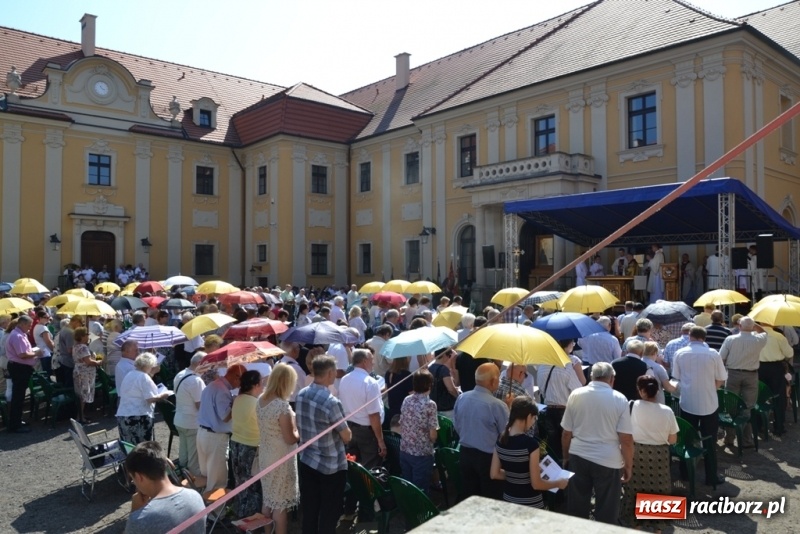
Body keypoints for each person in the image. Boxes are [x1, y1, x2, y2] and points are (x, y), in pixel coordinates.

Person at [561, 362, 633, 524]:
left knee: (577, 507)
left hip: (578, 455)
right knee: (607, 509)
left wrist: (566, 457)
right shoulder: (620, 399)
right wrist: (628, 465)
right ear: (611, 379)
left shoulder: (576, 395)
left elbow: (566, 433)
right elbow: (626, 439)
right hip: (608, 460)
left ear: (591, 376)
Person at [296, 355, 352, 534]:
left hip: (308, 461)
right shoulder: (331, 402)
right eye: (335, 371)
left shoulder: (302, 393)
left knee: (310, 510)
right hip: (330, 467)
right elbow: (346, 436)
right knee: (329, 513)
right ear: (329, 373)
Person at [620, 376, 679, 532]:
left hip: (636, 452)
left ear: (640, 390)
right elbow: (672, 440)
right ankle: (657, 526)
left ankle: (636, 523)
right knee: (659, 489)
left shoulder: (630, 406)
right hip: (660, 454)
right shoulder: (667, 411)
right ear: (658, 391)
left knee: (635, 487)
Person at [672, 326, 727, 484]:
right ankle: (711, 476)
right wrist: (711, 389)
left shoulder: (680, 353)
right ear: (704, 337)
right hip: (708, 402)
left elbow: (676, 377)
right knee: (710, 440)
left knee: (687, 439)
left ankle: (685, 473)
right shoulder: (712, 354)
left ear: (690, 336)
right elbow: (721, 378)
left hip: (688, 401)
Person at [491, 397, 568, 509]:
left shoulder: (500, 439)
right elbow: (536, 484)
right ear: (528, 416)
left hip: (508, 499)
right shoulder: (531, 445)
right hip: (530, 503)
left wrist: (517, 475)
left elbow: (494, 474)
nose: (533, 423)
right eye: (534, 418)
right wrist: (558, 483)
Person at [338, 349, 385, 520]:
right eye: (371, 359)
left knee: (353, 469)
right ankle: (369, 509)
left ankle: (350, 507)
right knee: (371, 471)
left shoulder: (345, 379)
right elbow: (374, 415)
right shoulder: (369, 382)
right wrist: (380, 441)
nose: (373, 362)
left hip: (351, 429)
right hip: (366, 431)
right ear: (364, 361)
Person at [453, 362, 509, 500]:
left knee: (470, 496)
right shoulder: (497, 405)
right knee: (490, 498)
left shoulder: (462, 397)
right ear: (493, 381)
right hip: (488, 459)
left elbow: (456, 424)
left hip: (465, 453)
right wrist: (508, 409)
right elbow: (506, 436)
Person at [123, 441, 206, 534]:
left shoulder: (141, 519)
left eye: (133, 479)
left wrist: (135, 512)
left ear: (139, 477)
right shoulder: (195, 496)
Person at [258, 363, 299, 534]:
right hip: (280, 456)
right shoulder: (282, 406)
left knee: (269, 499)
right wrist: (297, 431)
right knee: (280, 503)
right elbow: (290, 438)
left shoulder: (261, 399)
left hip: (266, 453)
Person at [718, 317, 766, 449]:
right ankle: (746, 439)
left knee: (731, 405)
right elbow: (764, 332)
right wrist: (754, 325)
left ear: (739, 326)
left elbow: (721, 357)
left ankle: (730, 437)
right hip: (751, 375)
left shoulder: (730, 339)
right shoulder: (759, 339)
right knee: (748, 407)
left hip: (733, 374)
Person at [196, 363, 245, 491]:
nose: (240, 385)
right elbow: (225, 416)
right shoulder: (222, 390)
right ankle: (217, 511)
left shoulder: (213, 385)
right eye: (241, 381)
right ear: (236, 377)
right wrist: (236, 403)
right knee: (217, 482)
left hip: (203, 433)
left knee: (207, 476)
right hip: (215, 438)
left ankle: (207, 506)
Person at [536, 339, 583, 461]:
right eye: (572, 343)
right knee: (567, 448)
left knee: (552, 449)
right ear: (567, 345)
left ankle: (554, 475)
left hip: (548, 410)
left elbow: (540, 388)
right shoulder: (567, 366)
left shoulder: (542, 365)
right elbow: (578, 390)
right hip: (565, 411)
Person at [399, 369, 439, 494]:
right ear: (429, 384)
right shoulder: (430, 404)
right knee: (420, 492)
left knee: (409, 488)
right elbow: (433, 434)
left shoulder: (407, 399)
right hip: (422, 453)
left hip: (405, 449)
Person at [231, 370, 264, 518]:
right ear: (256, 385)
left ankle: (240, 515)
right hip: (251, 447)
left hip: (236, 444)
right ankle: (251, 519)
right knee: (252, 486)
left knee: (240, 484)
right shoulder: (256, 403)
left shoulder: (238, 399)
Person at [117, 353, 170, 445]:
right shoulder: (143, 377)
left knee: (129, 448)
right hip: (138, 417)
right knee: (143, 448)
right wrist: (164, 395)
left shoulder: (130, 374)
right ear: (148, 365)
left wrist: (152, 373)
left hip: (123, 415)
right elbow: (150, 398)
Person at [5, 315, 41, 433]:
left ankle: (17, 421)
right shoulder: (17, 336)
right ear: (22, 324)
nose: (30, 327)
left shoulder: (20, 334)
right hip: (19, 367)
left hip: (21, 367)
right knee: (18, 397)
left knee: (19, 396)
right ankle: (15, 425)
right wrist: (36, 353)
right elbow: (22, 354)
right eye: (28, 325)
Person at [173, 353, 206, 477]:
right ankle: (194, 480)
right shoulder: (196, 381)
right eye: (206, 365)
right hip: (192, 422)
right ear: (199, 364)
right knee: (193, 456)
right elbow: (200, 406)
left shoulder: (180, 374)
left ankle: (182, 474)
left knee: (183, 451)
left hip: (180, 419)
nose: (208, 369)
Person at [757, 322, 793, 436]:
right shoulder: (778, 336)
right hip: (776, 368)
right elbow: (789, 353)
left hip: (759, 367)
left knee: (759, 397)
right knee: (779, 397)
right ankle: (779, 427)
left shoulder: (754, 335)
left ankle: (758, 426)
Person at [72, 327, 101, 424]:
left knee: (81, 395)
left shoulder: (76, 346)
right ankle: (80, 417)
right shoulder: (83, 347)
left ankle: (81, 415)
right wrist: (98, 362)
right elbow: (88, 362)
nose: (88, 336)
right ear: (82, 336)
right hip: (84, 373)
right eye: (87, 335)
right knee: (83, 395)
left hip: (80, 372)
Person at [429, 348, 460, 417]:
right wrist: (458, 396)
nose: (449, 359)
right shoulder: (443, 369)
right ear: (443, 355)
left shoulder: (429, 368)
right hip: (446, 406)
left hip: (433, 405)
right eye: (449, 356)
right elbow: (451, 389)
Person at [384, 356, 412, 428]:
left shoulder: (388, 373)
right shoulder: (407, 375)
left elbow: (387, 389)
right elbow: (412, 394)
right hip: (403, 411)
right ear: (404, 359)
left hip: (392, 408)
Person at [32, 310, 55, 375]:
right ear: (40, 318)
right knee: (48, 372)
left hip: (41, 351)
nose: (48, 319)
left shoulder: (37, 326)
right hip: (46, 352)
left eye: (48, 317)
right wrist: (54, 350)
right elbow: (48, 341)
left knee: (45, 372)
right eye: (46, 317)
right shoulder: (43, 328)